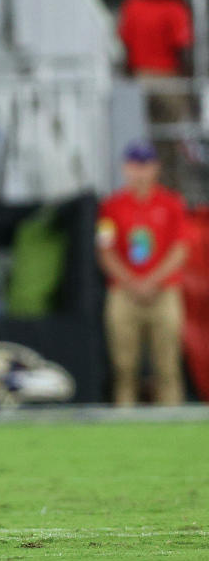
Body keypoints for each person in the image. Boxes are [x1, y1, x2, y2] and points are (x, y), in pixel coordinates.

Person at [97, 142, 189, 406]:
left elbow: (180, 249)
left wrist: (152, 280)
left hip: (164, 292)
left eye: (145, 165)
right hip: (124, 293)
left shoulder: (171, 203)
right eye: (134, 165)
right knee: (124, 368)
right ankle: (125, 422)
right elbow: (105, 250)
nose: (139, 172)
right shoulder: (111, 206)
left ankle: (173, 422)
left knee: (168, 367)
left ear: (155, 168)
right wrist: (131, 282)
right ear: (125, 168)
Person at [118, 0, 193, 195]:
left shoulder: (134, 4)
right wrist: (188, 91)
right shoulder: (175, 7)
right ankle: (170, 198)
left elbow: (125, 46)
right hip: (167, 81)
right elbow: (183, 51)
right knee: (171, 145)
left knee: (138, 142)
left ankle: (144, 198)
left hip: (137, 80)